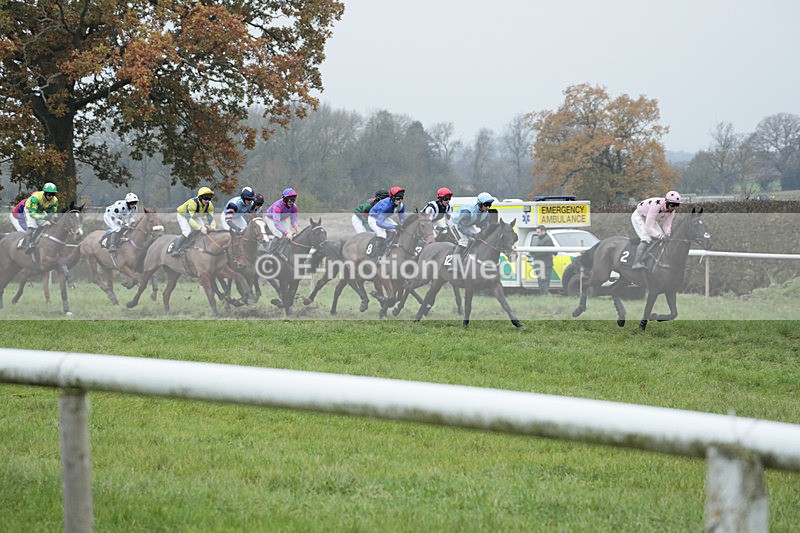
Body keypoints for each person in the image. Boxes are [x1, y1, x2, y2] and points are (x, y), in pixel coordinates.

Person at [630, 190, 683, 269]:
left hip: (650, 218)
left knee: (661, 238)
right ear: (667, 202)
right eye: (672, 204)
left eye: (676, 205)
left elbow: (667, 225)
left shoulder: (672, 211)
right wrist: (659, 235)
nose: (673, 207)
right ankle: (636, 262)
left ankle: (652, 258)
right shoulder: (656, 206)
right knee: (646, 238)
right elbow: (648, 227)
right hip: (639, 217)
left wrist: (667, 234)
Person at [451, 191, 495, 261]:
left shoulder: (486, 213)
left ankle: (468, 258)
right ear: (480, 204)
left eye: (489, 205)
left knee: (477, 240)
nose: (488, 207)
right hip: (455, 223)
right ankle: (454, 264)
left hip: (468, 224)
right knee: (464, 241)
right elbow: (460, 227)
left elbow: (485, 225)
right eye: (486, 205)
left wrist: (482, 233)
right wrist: (473, 235)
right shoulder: (467, 212)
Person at [173, 186, 216, 256]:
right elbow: (189, 219)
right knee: (187, 231)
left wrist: (213, 227)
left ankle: (194, 245)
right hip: (183, 215)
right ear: (200, 198)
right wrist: (200, 228)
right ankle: (175, 249)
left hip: (195, 216)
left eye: (209, 198)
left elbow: (211, 219)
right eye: (205, 198)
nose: (207, 201)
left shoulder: (209, 205)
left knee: (205, 230)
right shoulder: (193, 203)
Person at [368, 186, 405, 257]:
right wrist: (394, 226)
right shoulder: (386, 206)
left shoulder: (401, 206)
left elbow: (402, 218)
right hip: (374, 218)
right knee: (382, 235)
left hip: (383, 217)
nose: (400, 200)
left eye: (401, 198)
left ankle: (388, 247)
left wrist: (402, 225)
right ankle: (377, 255)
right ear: (393, 198)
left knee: (395, 231)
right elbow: (379, 223)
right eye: (398, 198)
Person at [264, 188, 299, 258]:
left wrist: (295, 226)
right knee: (279, 235)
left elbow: (293, 221)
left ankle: (285, 252)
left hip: (282, 219)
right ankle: (269, 255)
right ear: (285, 199)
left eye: (293, 200)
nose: (291, 202)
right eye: (290, 200)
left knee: (291, 236)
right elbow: (276, 223)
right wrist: (286, 233)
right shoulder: (278, 206)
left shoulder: (294, 207)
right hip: (271, 218)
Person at [23, 182, 60, 250]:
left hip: (40, 211)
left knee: (47, 225)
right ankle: (27, 245)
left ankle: (40, 242)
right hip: (30, 211)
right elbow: (32, 214)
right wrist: (44, 217)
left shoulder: (55, 201)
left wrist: (55, 218)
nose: (51, 196)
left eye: (53, 194)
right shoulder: (36, 198)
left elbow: (54, 212)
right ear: (44, 193)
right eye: (49, 194)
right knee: (32, 226)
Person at [530, 225, 554, 295]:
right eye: (537, 232)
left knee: (544, 282)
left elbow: (545, 251)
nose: (537, 234)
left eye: (539, 232)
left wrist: (534, 252)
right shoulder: (541, 239)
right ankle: (543, 296)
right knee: (541, 282)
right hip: (540, 264)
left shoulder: (547, 239)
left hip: (545, 264)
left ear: (543, 231)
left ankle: (544, 296)